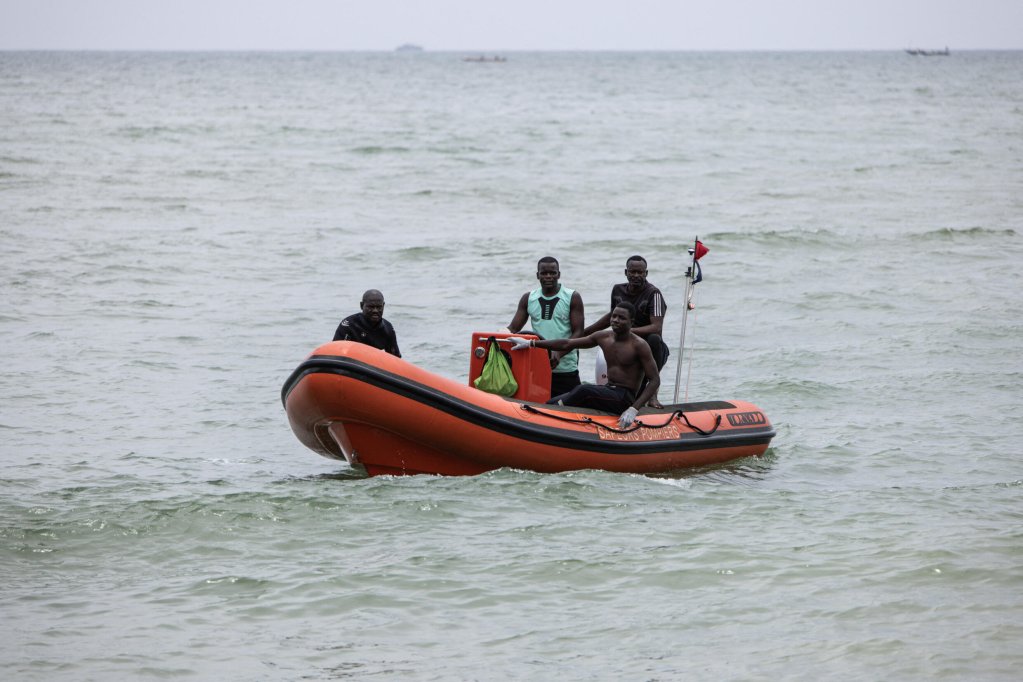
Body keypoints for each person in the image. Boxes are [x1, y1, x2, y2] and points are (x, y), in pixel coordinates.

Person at [507, 302, 659, 429]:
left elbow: (654, 380)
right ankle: (541, 416)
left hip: (625, 397)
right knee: (553, 401)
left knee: (584, 389)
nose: (615, 320)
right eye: (614, 316)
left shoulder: (639, 345)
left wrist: (634, 409)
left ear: (632, 321)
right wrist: (531, 343)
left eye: (621, 318)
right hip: (608, 390)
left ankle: (543, 419)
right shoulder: (603, 337)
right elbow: (567, 343)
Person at [583, 255, 668, 407]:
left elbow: (657, 326)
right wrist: (586, 331)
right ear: (626, 272)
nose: (636, 275)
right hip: (624, 342)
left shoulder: (653, 293)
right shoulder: (617, 290)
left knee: (654, 338)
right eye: (632, 272)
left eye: (640, 272)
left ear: (646, 273)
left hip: (649, 345)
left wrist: (628, 331)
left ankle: (653, 395)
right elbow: (611, 316)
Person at [506, 256, 585, 397]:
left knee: (570, 408)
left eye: (552, 273)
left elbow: (578, 333)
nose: (548, 276)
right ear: (538, 275)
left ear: (559, 274)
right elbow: (513, 328)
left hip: (566, 368)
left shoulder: (572, 297)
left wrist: (559, 354)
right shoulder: (528, 298)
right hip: (538, 367)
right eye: (544, 273)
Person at [333, 289, 401, 357]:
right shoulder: (348, 325)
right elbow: (334, 351)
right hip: (350, 362)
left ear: (383, 306)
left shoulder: (388, 328)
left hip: (372, 364)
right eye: (371, 307)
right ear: (362, 305)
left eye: (379, 307)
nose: (375, 311)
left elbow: (396, 358)